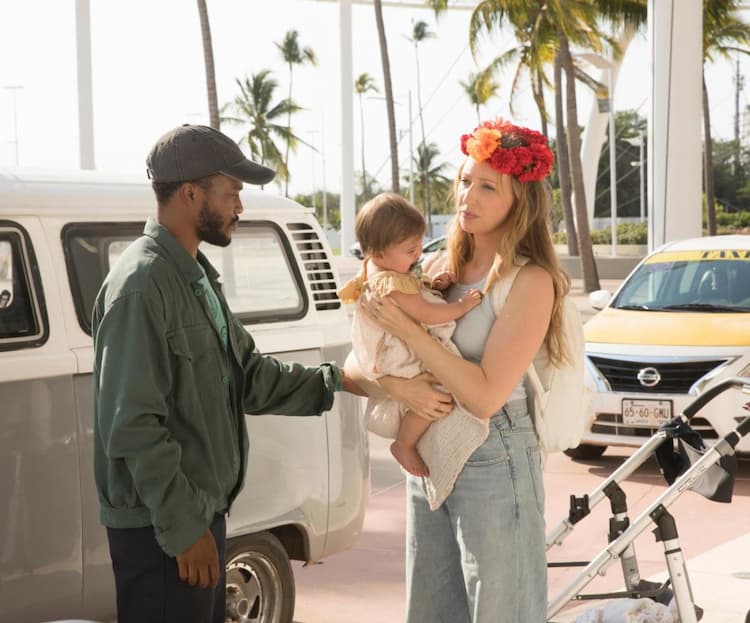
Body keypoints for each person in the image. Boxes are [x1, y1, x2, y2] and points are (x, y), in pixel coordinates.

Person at [92, 124, 360, 623]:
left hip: (193, 517)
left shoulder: (193, 276)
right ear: (191, 192)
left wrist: (340, 380)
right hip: (163, 529)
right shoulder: (142, 286)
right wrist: (185, 528)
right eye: (232, 192)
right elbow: (133, 425)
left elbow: (249, 376)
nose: (239, 206)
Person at [365, 118, 568, 622]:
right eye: (463, 181)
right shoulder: (431, 270)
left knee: (503, 609)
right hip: (430, 447)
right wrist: (400, 385)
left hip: (493, 450)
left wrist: (411, 331)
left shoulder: (531, 281)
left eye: (485, 186)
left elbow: (484, 396)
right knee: (431, 610)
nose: (466, 196)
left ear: (519, 200)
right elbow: (366, 356)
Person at [338, 193, 482, 477]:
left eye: (418, 245)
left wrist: (433, 284)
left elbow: (415, 291)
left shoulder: (379, 271)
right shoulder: (389, 283)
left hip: (388, 351)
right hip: (396, 355)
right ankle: (404, 443)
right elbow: (426, 313)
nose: (418, 254)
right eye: (410, 249)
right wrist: (461, 305)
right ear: (379, 254)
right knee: (442, 387)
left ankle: (405, 440)